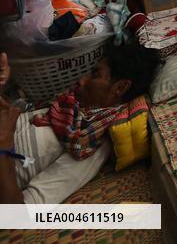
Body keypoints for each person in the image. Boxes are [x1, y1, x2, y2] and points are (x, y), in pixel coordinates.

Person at [0, 44, 159, 204]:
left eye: (95, 75)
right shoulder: (68, 107)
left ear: (120, 87)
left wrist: (4, 145)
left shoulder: (87, 145)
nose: (82, 80)